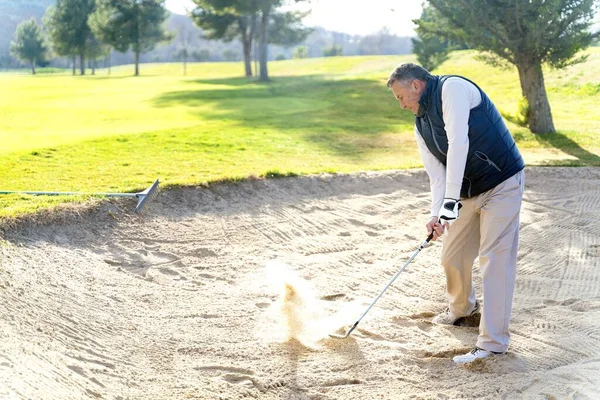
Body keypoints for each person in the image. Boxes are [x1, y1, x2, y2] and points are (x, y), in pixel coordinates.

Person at [387, 63, 525, 364]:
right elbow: (437, 175)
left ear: (416, 86)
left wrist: (450, 203)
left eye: (401, 97)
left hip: (501, 183)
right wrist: (438, 214)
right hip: (465, 192)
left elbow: (459, 144)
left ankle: (492, 344)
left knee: (494, 259)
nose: (401, 105)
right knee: (452, 255)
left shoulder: (452, 89)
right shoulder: (420, 124)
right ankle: (463, 310)